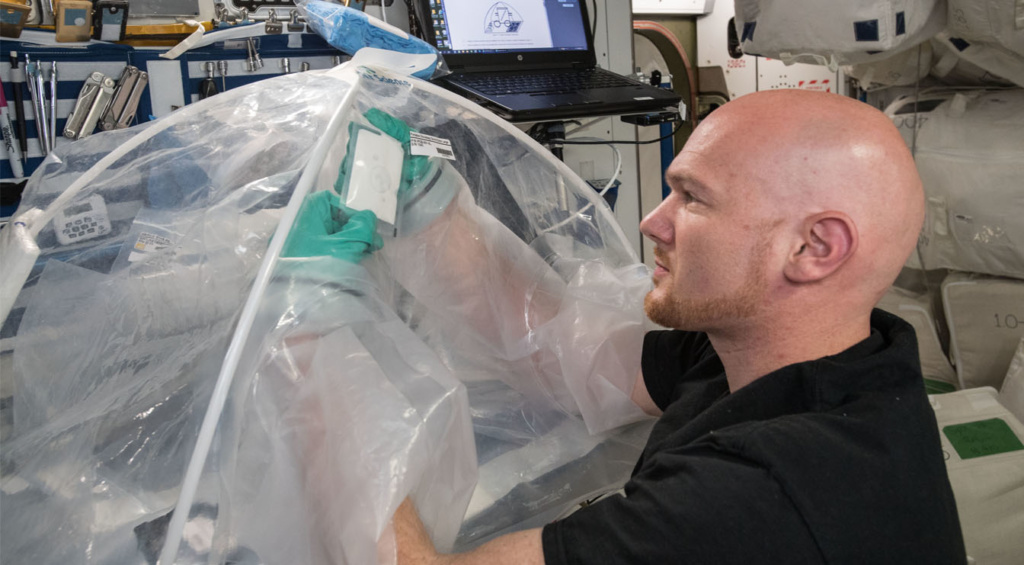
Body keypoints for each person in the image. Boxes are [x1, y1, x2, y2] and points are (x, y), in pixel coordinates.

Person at [392, 89, 966, 564]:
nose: (651, 221)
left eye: (692, 198)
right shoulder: (828, 354)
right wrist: (424, 201)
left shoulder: (762, 494)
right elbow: (561, 353)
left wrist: (318, 322)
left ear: (814, 247)